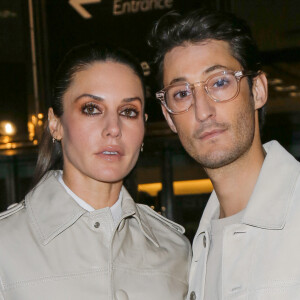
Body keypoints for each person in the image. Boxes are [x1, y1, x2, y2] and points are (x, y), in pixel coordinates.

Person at [0, 43, 191, 300]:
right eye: (91, 109)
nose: (113, 128)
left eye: (128, 112)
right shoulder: (6, 247)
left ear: (143, 128)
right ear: (55, 124)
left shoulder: (175, 250)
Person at [149, 8, 300, 300]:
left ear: (257, 90)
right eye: (182, 93)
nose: (202, 111)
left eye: (219, 82)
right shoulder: (192, 254)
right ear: (169, 117)